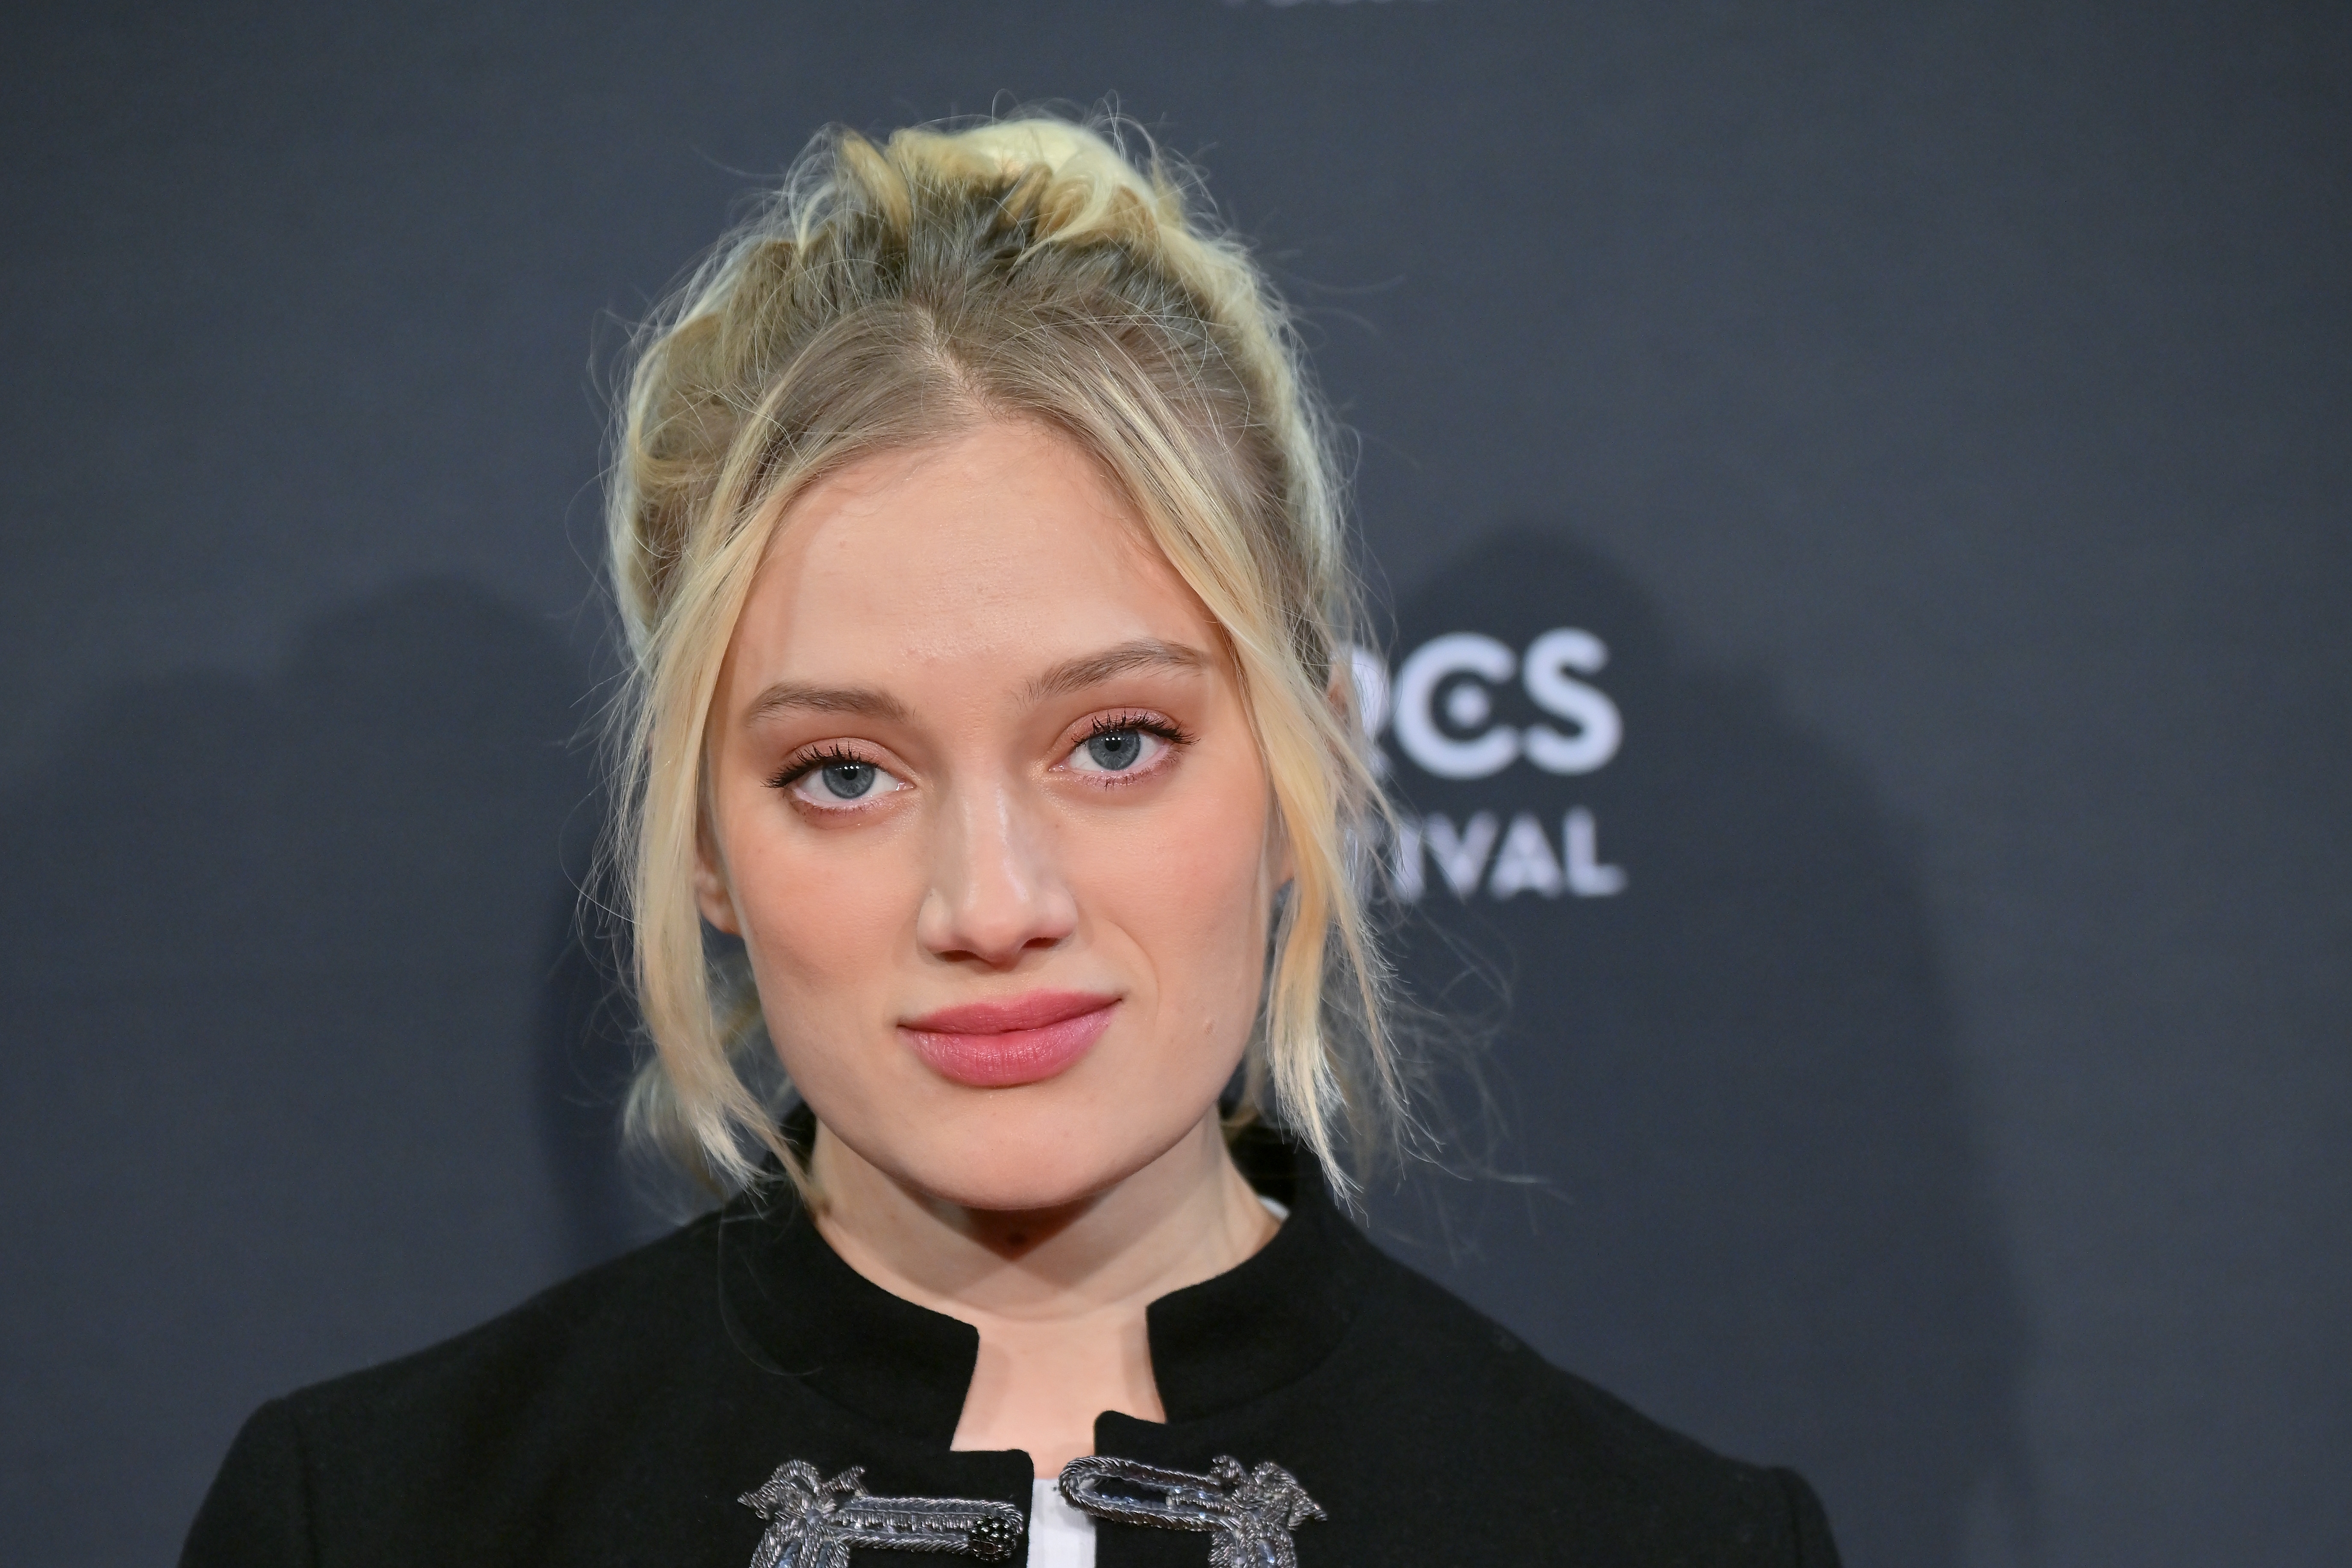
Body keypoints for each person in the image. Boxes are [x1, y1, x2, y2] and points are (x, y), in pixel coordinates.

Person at [182, 113, 1843, 1568]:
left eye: (1114, 745)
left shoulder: (1657, 1541)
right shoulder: (378, 1521)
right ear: (700, 838)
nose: (991, 906)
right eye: (843, 772)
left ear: (1306, 761)